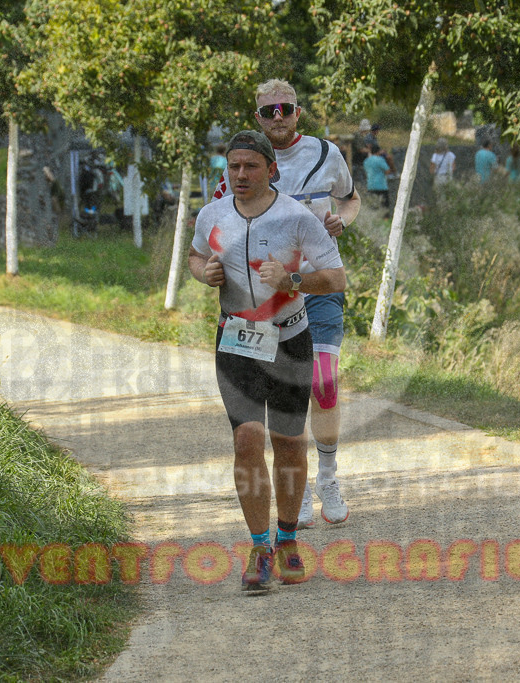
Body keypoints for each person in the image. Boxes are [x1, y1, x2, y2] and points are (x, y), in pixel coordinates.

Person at [189, 130, 347, 593]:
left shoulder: (297, 219)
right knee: (246, 441)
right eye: (233, 166)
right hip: (235, 340)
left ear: (270, 170)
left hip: (289, 339)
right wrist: (206, 273)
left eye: (250, 166)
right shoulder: (212, 215)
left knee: (289, 443)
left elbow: (336, 278)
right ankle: (259, 549)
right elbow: (197, 256)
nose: (240, 174)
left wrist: (293, 278)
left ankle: (288, 539)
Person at [212, 78, 361, 530]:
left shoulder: (325, 154)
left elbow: (350, 200)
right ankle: (288, 501)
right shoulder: (245, 163)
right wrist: (215, 268)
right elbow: (219, 222)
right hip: (265, 300)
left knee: (325, 382)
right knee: (273, 402)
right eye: (270, 110)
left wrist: (341, 220)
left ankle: (329, 477)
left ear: (298, 112)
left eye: (287, 108)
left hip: (315, 285)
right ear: (257, 116)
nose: (279, 116)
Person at [364, 143, 392, 213]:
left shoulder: (366, 161)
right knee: (384, 207)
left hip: (370, 186)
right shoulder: (380, 160)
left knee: (373, 207)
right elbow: (388, 171)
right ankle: (386, 221)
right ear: (379, 151)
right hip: (381, 186)